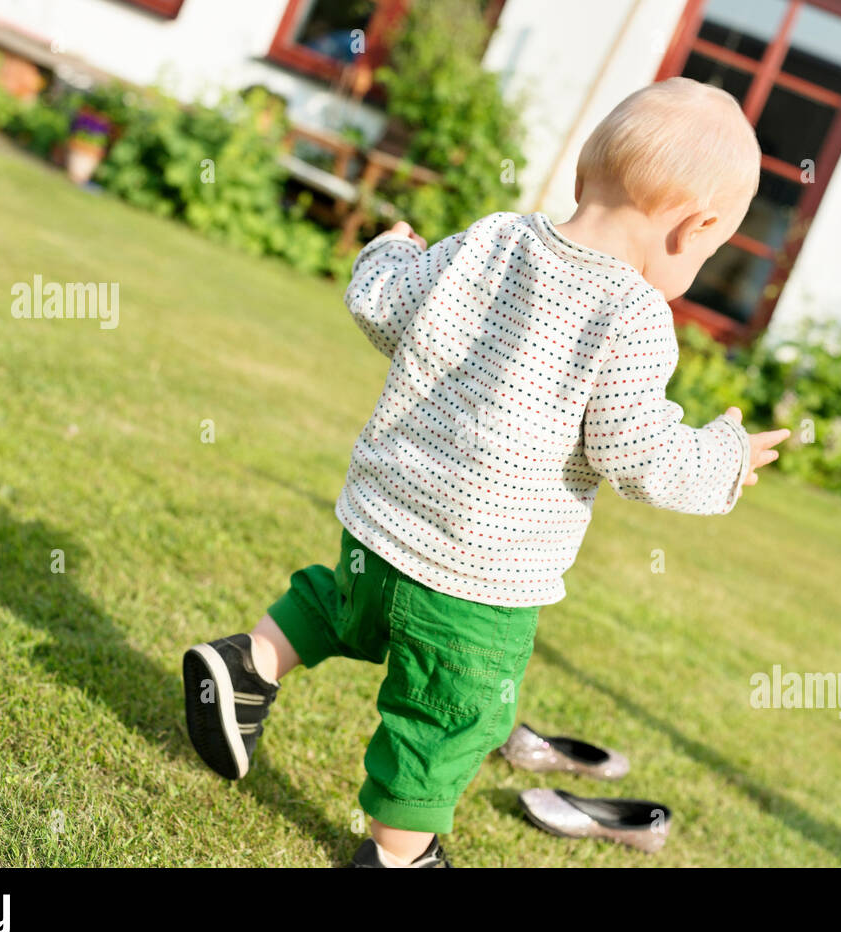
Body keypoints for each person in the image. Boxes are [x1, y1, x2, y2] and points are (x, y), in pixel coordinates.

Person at [182, 77, 790, 867]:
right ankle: (399, 855)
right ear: (695, 228)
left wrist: (390, 250)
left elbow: (389, 309)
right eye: (712, 250)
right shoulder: (632, 315)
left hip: (381, 519)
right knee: (450, 707)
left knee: (343, 608)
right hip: (478, 571)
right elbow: (637, 452)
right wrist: (723, 459)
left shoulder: (495, 236)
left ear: (583, 177)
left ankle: (248, 662)